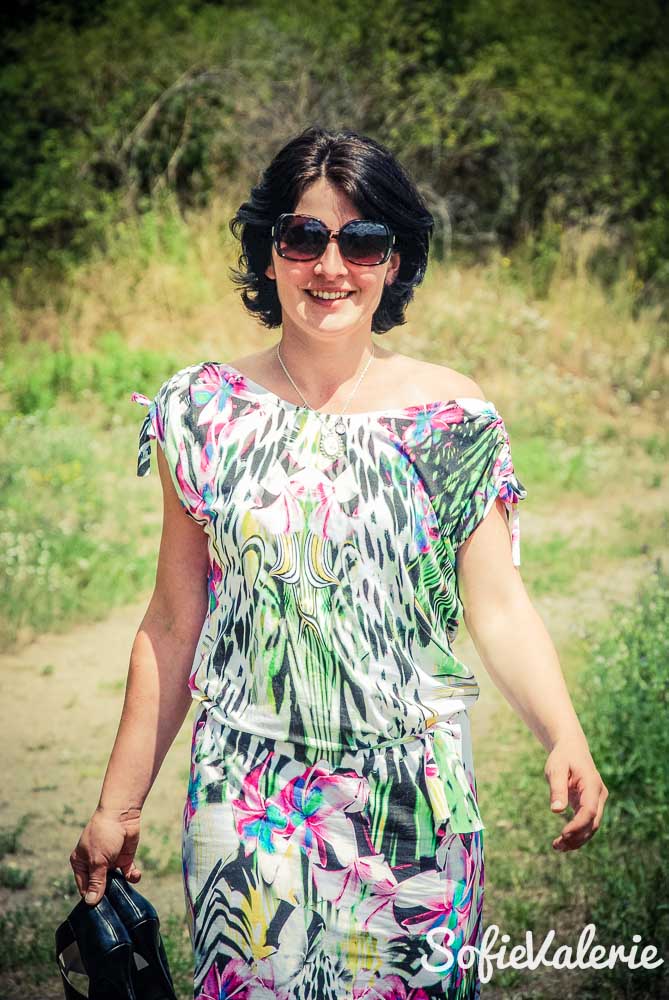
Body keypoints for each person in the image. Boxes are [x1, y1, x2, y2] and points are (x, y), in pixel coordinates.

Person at [70, 125, 608, 999]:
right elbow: (172, 619)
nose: (331, 266)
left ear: (393, 260)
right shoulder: (202, 412)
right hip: (247, 799)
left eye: (362, 241)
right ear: (269, 251)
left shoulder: (453, 418)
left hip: (413, 798)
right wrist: (119, 806)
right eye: (304, 237)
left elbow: (498, 606)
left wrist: (564, 733)